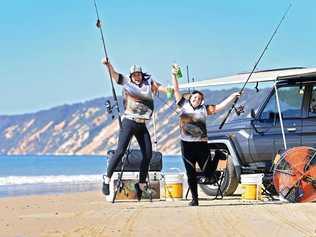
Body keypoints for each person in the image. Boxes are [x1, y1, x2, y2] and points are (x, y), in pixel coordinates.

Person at [171, 65, 240, 206]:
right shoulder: (183, 105)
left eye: (199, 98)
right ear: (190, 98)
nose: (196, 99)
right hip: (187, 146)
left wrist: (232, 96)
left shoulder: (205, 109)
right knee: (190, 173)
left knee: (209, 174)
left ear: (202, 101)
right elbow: (176, 90)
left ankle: (218, 156)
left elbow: (221, 106)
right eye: (195, 97)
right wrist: (174, 75)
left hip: (201, 145)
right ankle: (194, 199)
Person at [101, 58, 168, 201]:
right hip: (129, 122)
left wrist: (171, 90)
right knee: (120, 151)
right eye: (134, 75)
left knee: (148, 154)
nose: (137, 77)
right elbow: (114, 75)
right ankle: (106, 180)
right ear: (131, 76)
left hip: (142, 124)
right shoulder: (127, 82)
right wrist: (108, 65)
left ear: (142, 75)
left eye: (139, 74)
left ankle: (141, 184)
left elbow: (162, 88)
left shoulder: (149, 83)